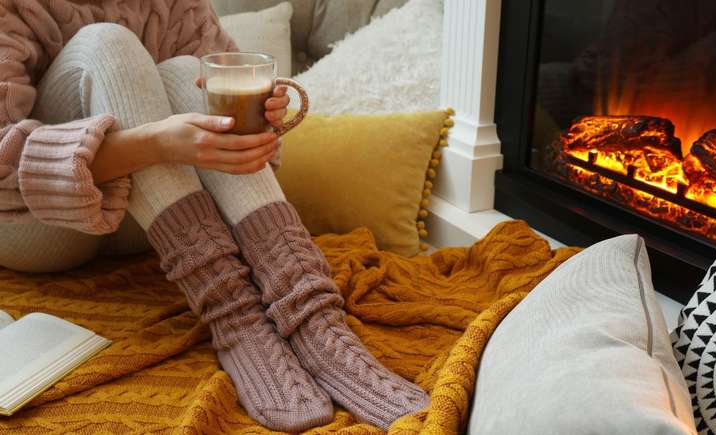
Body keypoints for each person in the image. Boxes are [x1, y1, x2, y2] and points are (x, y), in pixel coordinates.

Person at [0, 1, 428, 431]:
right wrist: (156, 144)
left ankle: (315, 321)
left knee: (192, 73)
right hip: (38, 226)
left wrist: (260, 121)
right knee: (107, 43)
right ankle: (235, 317)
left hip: (144, 220)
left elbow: (232, 145)